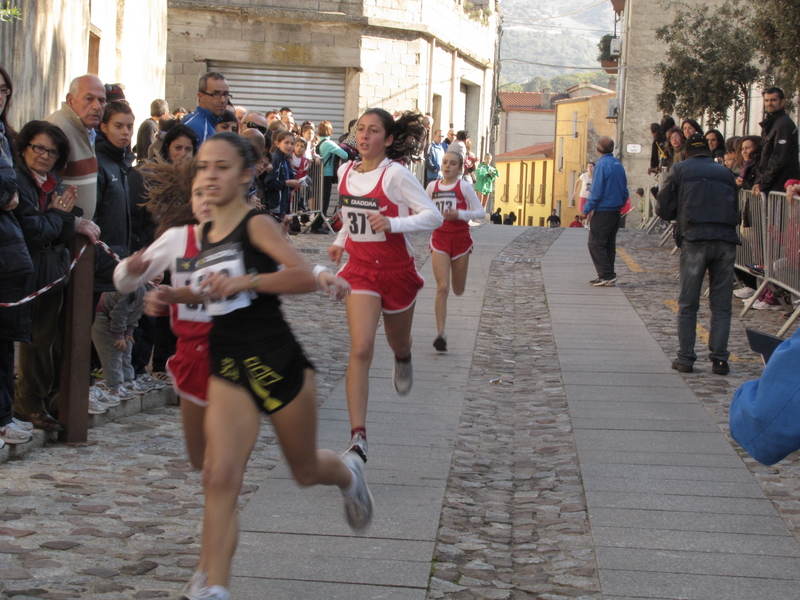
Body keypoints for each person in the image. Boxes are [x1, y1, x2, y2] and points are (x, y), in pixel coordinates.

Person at [120, 132, 372, 600]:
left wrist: (247, 280)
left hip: (278, 360)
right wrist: (177, 294)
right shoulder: (204, 232)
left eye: (221, 167)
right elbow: (213, 290)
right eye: (203, 167)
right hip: (228, 364)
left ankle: (347, 474)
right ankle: (214, 586)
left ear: (244, 174)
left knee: (304, 470)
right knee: (219, 473)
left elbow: (299, 275)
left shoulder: (255, 224)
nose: (210, 175)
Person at [327, 108, 443, 464]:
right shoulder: (346, 171)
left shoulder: (396, 175)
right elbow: (351, 214)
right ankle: (358, 437)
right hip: (360, 270)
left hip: (396, 271)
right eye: (360, 129)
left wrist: (393, 224)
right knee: (361, 348)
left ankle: (403, 357)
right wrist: (342, 240)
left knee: (397, 340)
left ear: (388, 139)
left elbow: (433, 215)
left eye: (373, 131)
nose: (364, 136)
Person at [12, 120, 99, 430]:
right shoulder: (17, 182)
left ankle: (51, 401)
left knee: (53, 340)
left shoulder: (54, 184)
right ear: (24, 148)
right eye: (39, 148)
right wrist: (61, 217)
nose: (44, 155)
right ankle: (28, 404)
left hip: (54, 270)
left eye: (52, 151)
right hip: (27, 272)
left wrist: (69, 221)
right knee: (35, 341)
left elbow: (63, 225)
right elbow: (33, 231)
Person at [656, 133, 740, 375]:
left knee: (688, 303)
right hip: (724, 239)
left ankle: (686, 358)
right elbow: (736, 207)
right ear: (709, 152)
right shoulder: (725, 172)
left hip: (695, 238)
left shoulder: (679, 170)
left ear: (686, 152)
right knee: (722, 305)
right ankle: (720, 359)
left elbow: (662, 205)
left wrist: (679, 216)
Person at [428, 151, 485, 353]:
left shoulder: (464, 187)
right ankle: (440, 334)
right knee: (442, 287)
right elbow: (423, 209)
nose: (447, 166)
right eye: (445, 162)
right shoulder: (432, 187)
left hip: (461, 240)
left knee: (457, 289)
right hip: (440, 239)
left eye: (453, 164)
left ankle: (458, 288)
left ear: (460, 168)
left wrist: (459, 214)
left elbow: (481, 212)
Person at [44, 74, 107, 220]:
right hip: (60, 234)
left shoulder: (85, 129)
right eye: (89, 99)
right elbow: (43, 190)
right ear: (70, 100)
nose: (97, 106)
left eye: (102, 101)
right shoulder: (58, 129)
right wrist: (75, 223)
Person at [582, 136, 628, 287]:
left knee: (595, 243)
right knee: (608, 244)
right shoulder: (618, 164)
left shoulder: (601, 165)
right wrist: (620, 203)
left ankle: (606, 274)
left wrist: (586, 209)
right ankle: (607, 274)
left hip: (603, 210)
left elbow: (596, 191)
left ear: (597, 149)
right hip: (615, 210)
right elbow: (625, 189)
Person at [752, 87, 800, 196]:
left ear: (782, 102)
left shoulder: (784, 124)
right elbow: (764, 156)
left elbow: (779, 157)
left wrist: (763, 182)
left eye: (773, 100)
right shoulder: (771, 124)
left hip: (780, 186)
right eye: (767, 100)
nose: (769, 103)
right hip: (772, 185)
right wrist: (759, 181)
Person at [312, 120, 350, 234]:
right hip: (326, 174)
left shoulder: (319, 143)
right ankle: (317, 225)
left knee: (319, 200)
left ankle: (316, 223)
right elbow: (345, 154)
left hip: (318, 174)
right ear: (330, 130)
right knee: (324, 200)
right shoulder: (329, 143)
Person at [264, 130, 301, 234]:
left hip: (283, 204)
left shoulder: (286, 159)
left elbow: (289, 178)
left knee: (282, 233)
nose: (289, 146)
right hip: (275, 204)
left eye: (292, 143)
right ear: (278, 143)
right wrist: (287, 183)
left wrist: (294, 184)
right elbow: (269, 183)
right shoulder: (275, 159)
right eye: (286, 142)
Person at [182, 72, 230, 146]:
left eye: (225, 94)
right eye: (216, 94)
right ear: (201, 96)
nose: (223, 100)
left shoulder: (206, 123)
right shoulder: (197, 127)